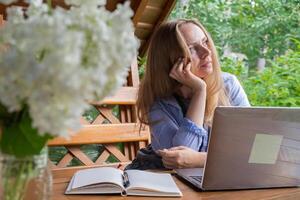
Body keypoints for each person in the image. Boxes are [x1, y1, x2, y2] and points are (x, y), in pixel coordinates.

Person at [131, 19, 250, 170]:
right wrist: (200, 91)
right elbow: (179, 161)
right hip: (164, 179)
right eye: (192, 48)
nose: (207, 52)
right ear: (170, 60)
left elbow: (250, 150)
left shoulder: (229, 85)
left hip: (214, 178)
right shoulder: (157, 101)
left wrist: (200, 160)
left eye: (205, 41)